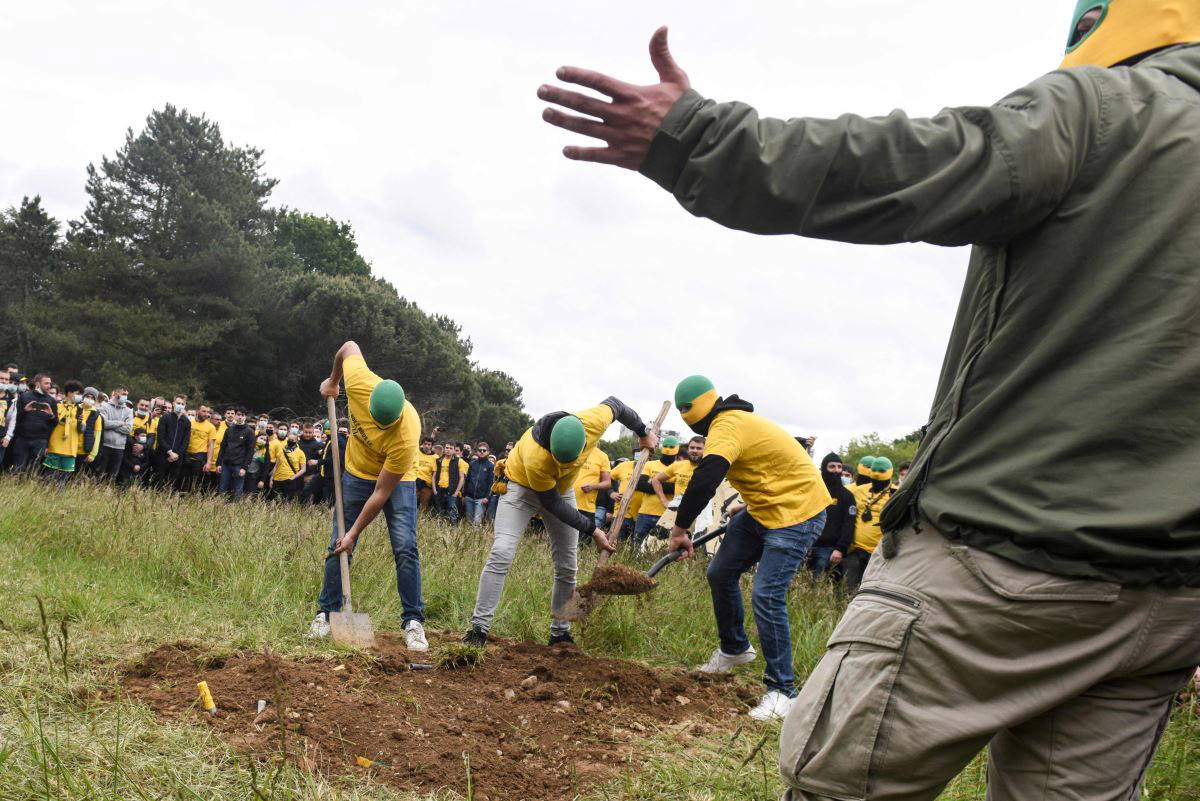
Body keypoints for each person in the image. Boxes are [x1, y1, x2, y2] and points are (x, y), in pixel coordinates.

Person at [540, 13, 1200, 796]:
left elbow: (906, 168)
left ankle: (774, 680)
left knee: (834, 777)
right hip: (1162, 595)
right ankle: (741, 656)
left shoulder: (1110, 110)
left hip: (1004, 552)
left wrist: (698, 139)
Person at [665, 376, 830, 720]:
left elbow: (707, 477)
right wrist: (751, 500)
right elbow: (767, 464)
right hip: (763, 510)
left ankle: (783, 692)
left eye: (686, 409)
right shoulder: (730, 423)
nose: (685, 415)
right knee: (720, 572)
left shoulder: (728, 424)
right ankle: (735, 649)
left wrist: (680, 529)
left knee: (767, 594)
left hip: (797, 514)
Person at [465, 396, 655, 647]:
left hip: (562, 489)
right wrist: (593, 530)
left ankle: (560, 634)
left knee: (567, 565)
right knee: (501, 552)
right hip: (521, 489)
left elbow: (616, 405)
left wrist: (642, 432)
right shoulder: (537, 456)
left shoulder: (592, 422)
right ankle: (478, 629)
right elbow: (552, 503)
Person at [309, 341, 428, 653]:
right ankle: (326, 613)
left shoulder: (405, 435)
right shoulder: (361, 382)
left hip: (396, 478)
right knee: (338, 542)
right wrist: (334, 381)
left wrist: (355, 532)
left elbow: (381, 494)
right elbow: (348, 347)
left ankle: (413, 622)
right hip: (357, 470)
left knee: (405, 545)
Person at [841, 457, 893, 593]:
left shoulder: (896, 494)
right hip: (855, 550)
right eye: (874, 470)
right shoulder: (859, 491)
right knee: (847, 588)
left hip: (879, 553)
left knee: (870, 590)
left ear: (890, 472)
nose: (876, 474)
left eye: (881, 471)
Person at [807, 453, 856, 581]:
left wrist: (840, 549)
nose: (836, 470)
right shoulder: (813, 490)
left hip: (829, 549)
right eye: (832, 466)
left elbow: (849, 525)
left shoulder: (847, 496)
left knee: (819, 584)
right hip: (806, 544)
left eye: (839, 467)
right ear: (824, 468)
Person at [649, 434, 704, 530]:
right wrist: (664, 501)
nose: (695, 450)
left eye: (699, 448)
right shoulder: (678, 465)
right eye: (692, 447)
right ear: (688, 450)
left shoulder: (710, 467)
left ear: (705, 450)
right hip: (677, 510)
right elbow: (655, 480)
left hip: (701, 512)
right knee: (664, 542)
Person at [6, 373, 57, 471]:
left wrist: (51, 415)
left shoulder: (52, 401)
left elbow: (55, 423)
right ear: (38, 384)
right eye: (46, 383)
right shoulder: (24, 396)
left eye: (50, 383)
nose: (49, 386)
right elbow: (16, 419)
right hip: (22, 440)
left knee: (33, 470)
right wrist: (25, 410)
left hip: (40, 441)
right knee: (18, 469)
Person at [43, 380, 85, 486]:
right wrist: (46, 444)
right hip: (55, 446)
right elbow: (49, 425)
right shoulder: (57, 405)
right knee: (49, 477)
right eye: (78, 393)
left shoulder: (79, 409)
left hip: (70, 449)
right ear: (70, 393)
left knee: (62, 480)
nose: (80, 397)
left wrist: (80, 422)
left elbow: (82, 430)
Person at [571, 444, 612, 533]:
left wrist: (593, 486)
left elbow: (607, 483)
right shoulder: (573, 447)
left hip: (586, 508)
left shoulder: (602, 456)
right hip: (566, 503)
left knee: (582, 543)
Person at [152, 395, 190, 489]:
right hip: (163, 455)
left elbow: (185, 441)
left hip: (177, 458)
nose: (180, 405)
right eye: (178, 403)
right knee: (158, 482)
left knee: (171, 484)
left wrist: (176, 455)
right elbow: (161, 437)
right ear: (173, 403)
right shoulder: (165, 418)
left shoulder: (186, 422)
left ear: (185, 405)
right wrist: (169, 452)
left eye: (182, 404)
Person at [216, 407, 254, 498]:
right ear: (235, 416)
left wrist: (244, 467)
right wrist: (219, 463)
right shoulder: (229, 429)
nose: (240, 417)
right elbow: (223, 447)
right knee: (222, 488)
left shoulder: (249, 432)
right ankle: (220, 506)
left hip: (239, 465)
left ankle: (236, 508)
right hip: (226, 464)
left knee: (238, 490)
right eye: (238, 415)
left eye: (242, 415)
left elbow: (250, 451)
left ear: (245, 417)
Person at [96, 386, 133, 481]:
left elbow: (128, 429)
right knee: (100, 474)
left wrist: (111, 424)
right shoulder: (104, 406)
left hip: (119, 448)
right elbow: (103, 423)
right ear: (116, 394)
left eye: (127, 395)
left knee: (112, 477)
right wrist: (120, 423)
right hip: (105, 445)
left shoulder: (128, 411)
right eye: (124, 394)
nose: (126, 397)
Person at [180, 404, 216, 492]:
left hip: (199, 458)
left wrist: (208, 462)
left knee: (195, 483)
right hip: (186, 455)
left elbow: (211, 446)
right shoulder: (189, 422)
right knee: (183, 481)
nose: (206, 414)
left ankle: (192, 501)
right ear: (197, 411)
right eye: (204, 411)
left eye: (208, 412)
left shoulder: (211, 427)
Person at [462, 441, 496, 524]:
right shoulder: (472, 464)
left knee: (477, 522)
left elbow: (491, 483)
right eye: (480, 450)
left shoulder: (490, 466)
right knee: (468, 520)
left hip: (481, 498)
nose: (482, 452)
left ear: (488, 452)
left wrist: (487, 497)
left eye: (484, 450)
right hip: (469, 496)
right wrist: (464, 495)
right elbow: (467, 480)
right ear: (477, 451)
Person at [434, 441, 467, 523]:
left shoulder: (459, 461)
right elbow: (434, 476)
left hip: (452, 491)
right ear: (444, 448)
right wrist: (435, 490)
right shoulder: (439, 460)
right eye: (447, 448)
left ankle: (453, 531)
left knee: (452, 515)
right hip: (440, 490)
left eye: (451, 448)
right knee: (440, 513)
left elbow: (462, 478)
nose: (448, 450)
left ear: (454, 450)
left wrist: (456, 493)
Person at [76, 387, 103, 473]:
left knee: (77, 475)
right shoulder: (75, 408)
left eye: (92, 398)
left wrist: (93, 454)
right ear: (83, 397)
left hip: (84, 450)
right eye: (88, 396)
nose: (89, 399)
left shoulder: (96, 415)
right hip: (70, 448)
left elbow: (97, 436)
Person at [415, 436, 437, 512]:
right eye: (425, 444)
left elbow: (435, 473)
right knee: (412, 502)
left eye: (429, 444)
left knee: (424, 505)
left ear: (431, 446)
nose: (426, 446)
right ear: (422, 444)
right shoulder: (417, 452)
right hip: (416, 481)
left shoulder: (435, 457)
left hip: (427, 484)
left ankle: (422, 520)